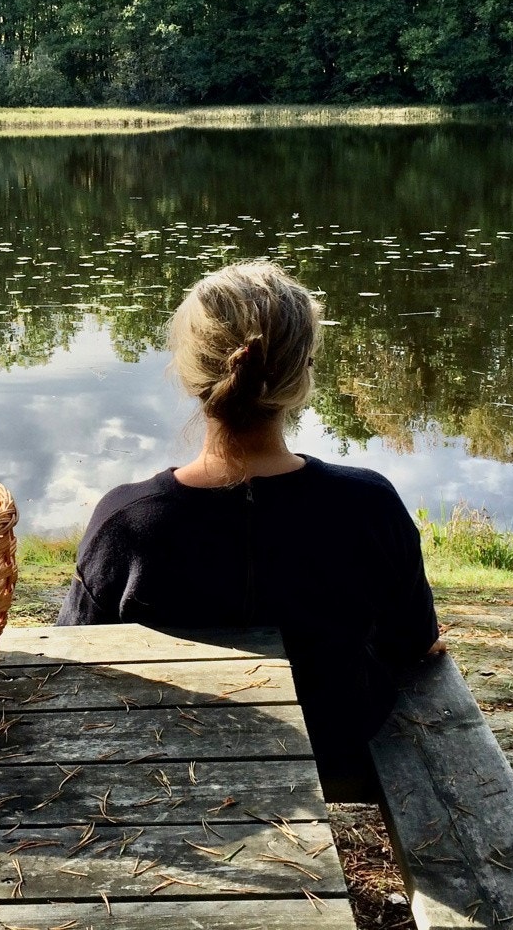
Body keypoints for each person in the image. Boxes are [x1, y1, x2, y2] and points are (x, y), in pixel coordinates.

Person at [58, 260, 441, 801]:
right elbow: (413, 642)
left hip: (169, 758)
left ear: (191, 373)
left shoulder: (127, 523)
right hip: (334, 743)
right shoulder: (369, 506)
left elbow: (79, 656)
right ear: (303, 372)